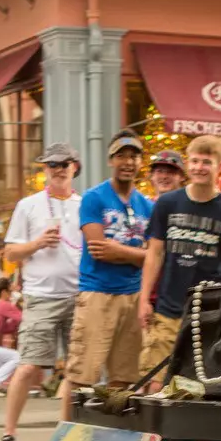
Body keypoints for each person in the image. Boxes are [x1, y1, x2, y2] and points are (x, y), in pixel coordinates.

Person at [0, 143, 82, 441]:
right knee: (28, 365)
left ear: (75, 167)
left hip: (78, 296)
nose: (57, 169)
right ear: (44, 170)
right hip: (41, 296)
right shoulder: (28, 206)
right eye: (51, 164)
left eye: (63, 164)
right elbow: (10, 253)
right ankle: (8, 435)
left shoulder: (85, 206)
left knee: (76, 368)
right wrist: (37, 243)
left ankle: (66, 435)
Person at [137, 135, 221, 378]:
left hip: (208, 311)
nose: (199, 168)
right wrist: (144, 299)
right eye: (195, 161)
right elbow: (154, 254)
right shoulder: (168, 203)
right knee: (154, 379)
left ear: (219, 166)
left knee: (198, 382)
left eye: (206, 162)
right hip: (167, 308)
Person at [66, 132, 153, 411]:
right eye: (121, 156)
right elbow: (97, 248)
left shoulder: (147, 206)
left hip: (132, 297)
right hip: (97, 294)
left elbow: (154, 257)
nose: (128, 162)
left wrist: (123, 251)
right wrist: (139, 255)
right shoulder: (94, 197)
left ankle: (111, 437)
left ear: (140, 162)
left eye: (134, 156)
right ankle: (68, 436)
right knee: (81, 376)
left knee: (123, 379)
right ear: (110, 161)